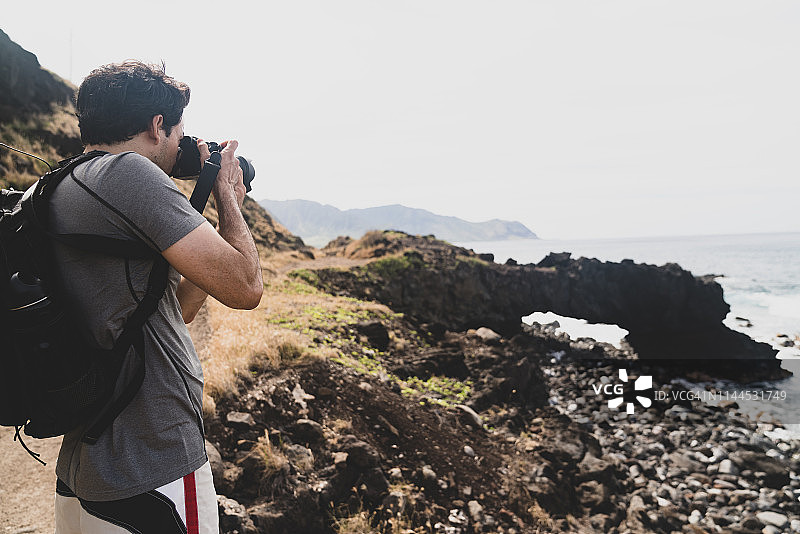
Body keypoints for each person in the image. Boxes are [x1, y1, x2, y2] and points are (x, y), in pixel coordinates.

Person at [50, 61, 262, 533]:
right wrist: (227, 196)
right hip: (151, 460)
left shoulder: (66, 182)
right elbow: (246, 288)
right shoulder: (128, 175)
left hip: (91, 462)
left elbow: (168, 311)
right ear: (157, 125)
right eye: (179, 134)